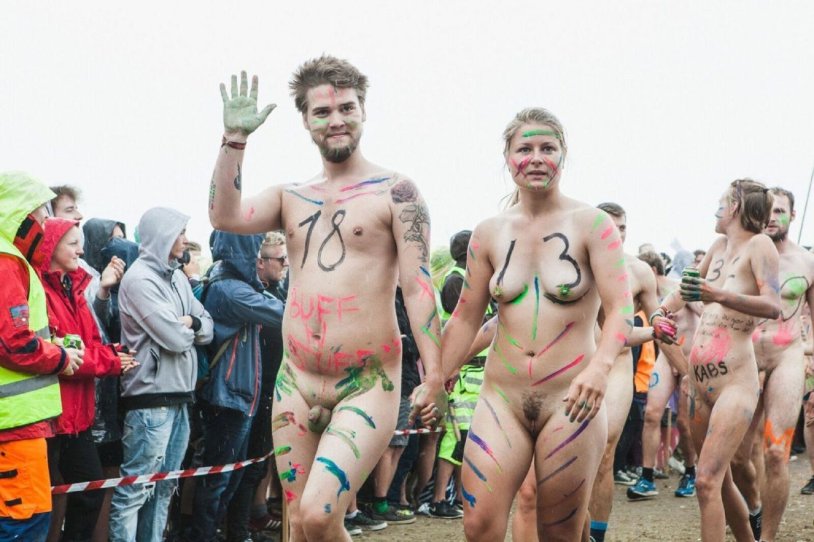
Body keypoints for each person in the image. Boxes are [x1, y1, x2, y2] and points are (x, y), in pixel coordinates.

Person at [207, 57, 444, 542]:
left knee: (318, 514)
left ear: (363, 111)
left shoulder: (396, 193)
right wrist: (234, 141)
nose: (335, 119)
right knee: (299, 525)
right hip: (296, 380)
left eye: (346, 107)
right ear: (306, 121)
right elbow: (224, 216)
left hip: (367, 382)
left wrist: (436, 375)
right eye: (322, 112)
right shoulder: (291, 196)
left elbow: (418, 286)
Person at [439, 108, 632, 541]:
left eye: (548, 148)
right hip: (500, 398)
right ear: (507, 158)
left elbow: (621, 307)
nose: (536, 157)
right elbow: (466, 316)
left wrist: (600, 369)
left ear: (564, 155)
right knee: (478, 526)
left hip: (569, 400)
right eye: (524, 148)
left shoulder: (593, 225)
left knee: (558, 534)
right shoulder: (488, 233)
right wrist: (436, 376)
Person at [655, 179, 779, 542]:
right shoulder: (718, 246)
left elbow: (773, 305)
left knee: (705, 480)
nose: (715, 208)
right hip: (698, 383)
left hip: (735, 384)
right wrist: (661, 313)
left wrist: (719, 294)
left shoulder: (761, 245)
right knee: (719, 482)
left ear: (736, 205)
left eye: (721, 201)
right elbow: (687, 289)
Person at [109, 207, 213, 542]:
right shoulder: (139, 280)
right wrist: (187, 326)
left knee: (165, 488)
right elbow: (175, 338)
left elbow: (206, 329)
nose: (185, 239)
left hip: (179, 396)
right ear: (163, 236)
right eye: (180, 232)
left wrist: (190, 323)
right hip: (150, 399)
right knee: (136, 489)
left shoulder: (179, 278)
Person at [37, 217, 137, 541]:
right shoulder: (42, 292)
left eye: (80, 242)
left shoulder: (74, 288)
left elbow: (87, 342)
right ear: (51, 246)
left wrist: (112, 352)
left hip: (76, 415)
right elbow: (68, 356)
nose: (82, 250)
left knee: (86, 490)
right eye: (72, 243)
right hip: (53, 415)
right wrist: (110, 359)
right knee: (53, 499)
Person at [0, 172, 83, 541]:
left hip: (17, 426)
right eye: (42, 215)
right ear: (22, 214)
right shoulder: (7, 262)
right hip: (14, 427)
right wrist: (61, 357)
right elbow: (13, 344)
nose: (46, 224)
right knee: (24, 524)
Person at [729, 187, 814, 541]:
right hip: (745, 357)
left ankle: (768, 538)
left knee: (777, 451)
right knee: (736, 458)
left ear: (792, 215)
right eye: (767, 210)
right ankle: (755, 506)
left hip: (786, 357)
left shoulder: (807, 262)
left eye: (780, 210)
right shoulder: (742, 253)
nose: (772, 216)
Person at [189, 231, 284, 542]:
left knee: (230, 476)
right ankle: (204, 535)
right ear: (242, 251)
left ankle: (213, 532)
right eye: (254, 251)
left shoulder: (234, 284)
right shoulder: (230, 290)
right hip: (226, 395)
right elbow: (281, 312)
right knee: (218, 479)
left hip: (238, 394)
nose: (259, 259)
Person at [226, 231, 289, 541]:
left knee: (257, 465)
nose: (286, 264)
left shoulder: (274, 291)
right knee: (242, 469)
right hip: (250, 390)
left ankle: (251, 520)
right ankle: (239, 529)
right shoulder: (247, 294)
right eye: (280, 259)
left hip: (269, 390)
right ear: (260, 262)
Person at [629, 251, 699, 500]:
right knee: (651, 414)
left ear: (655, 271)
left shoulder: (677, 289)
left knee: (684, 421)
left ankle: (691, 472)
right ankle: (646, 477)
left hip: (689, 358)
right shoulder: (643, 297)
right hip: (665, 358)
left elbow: (706, 315)